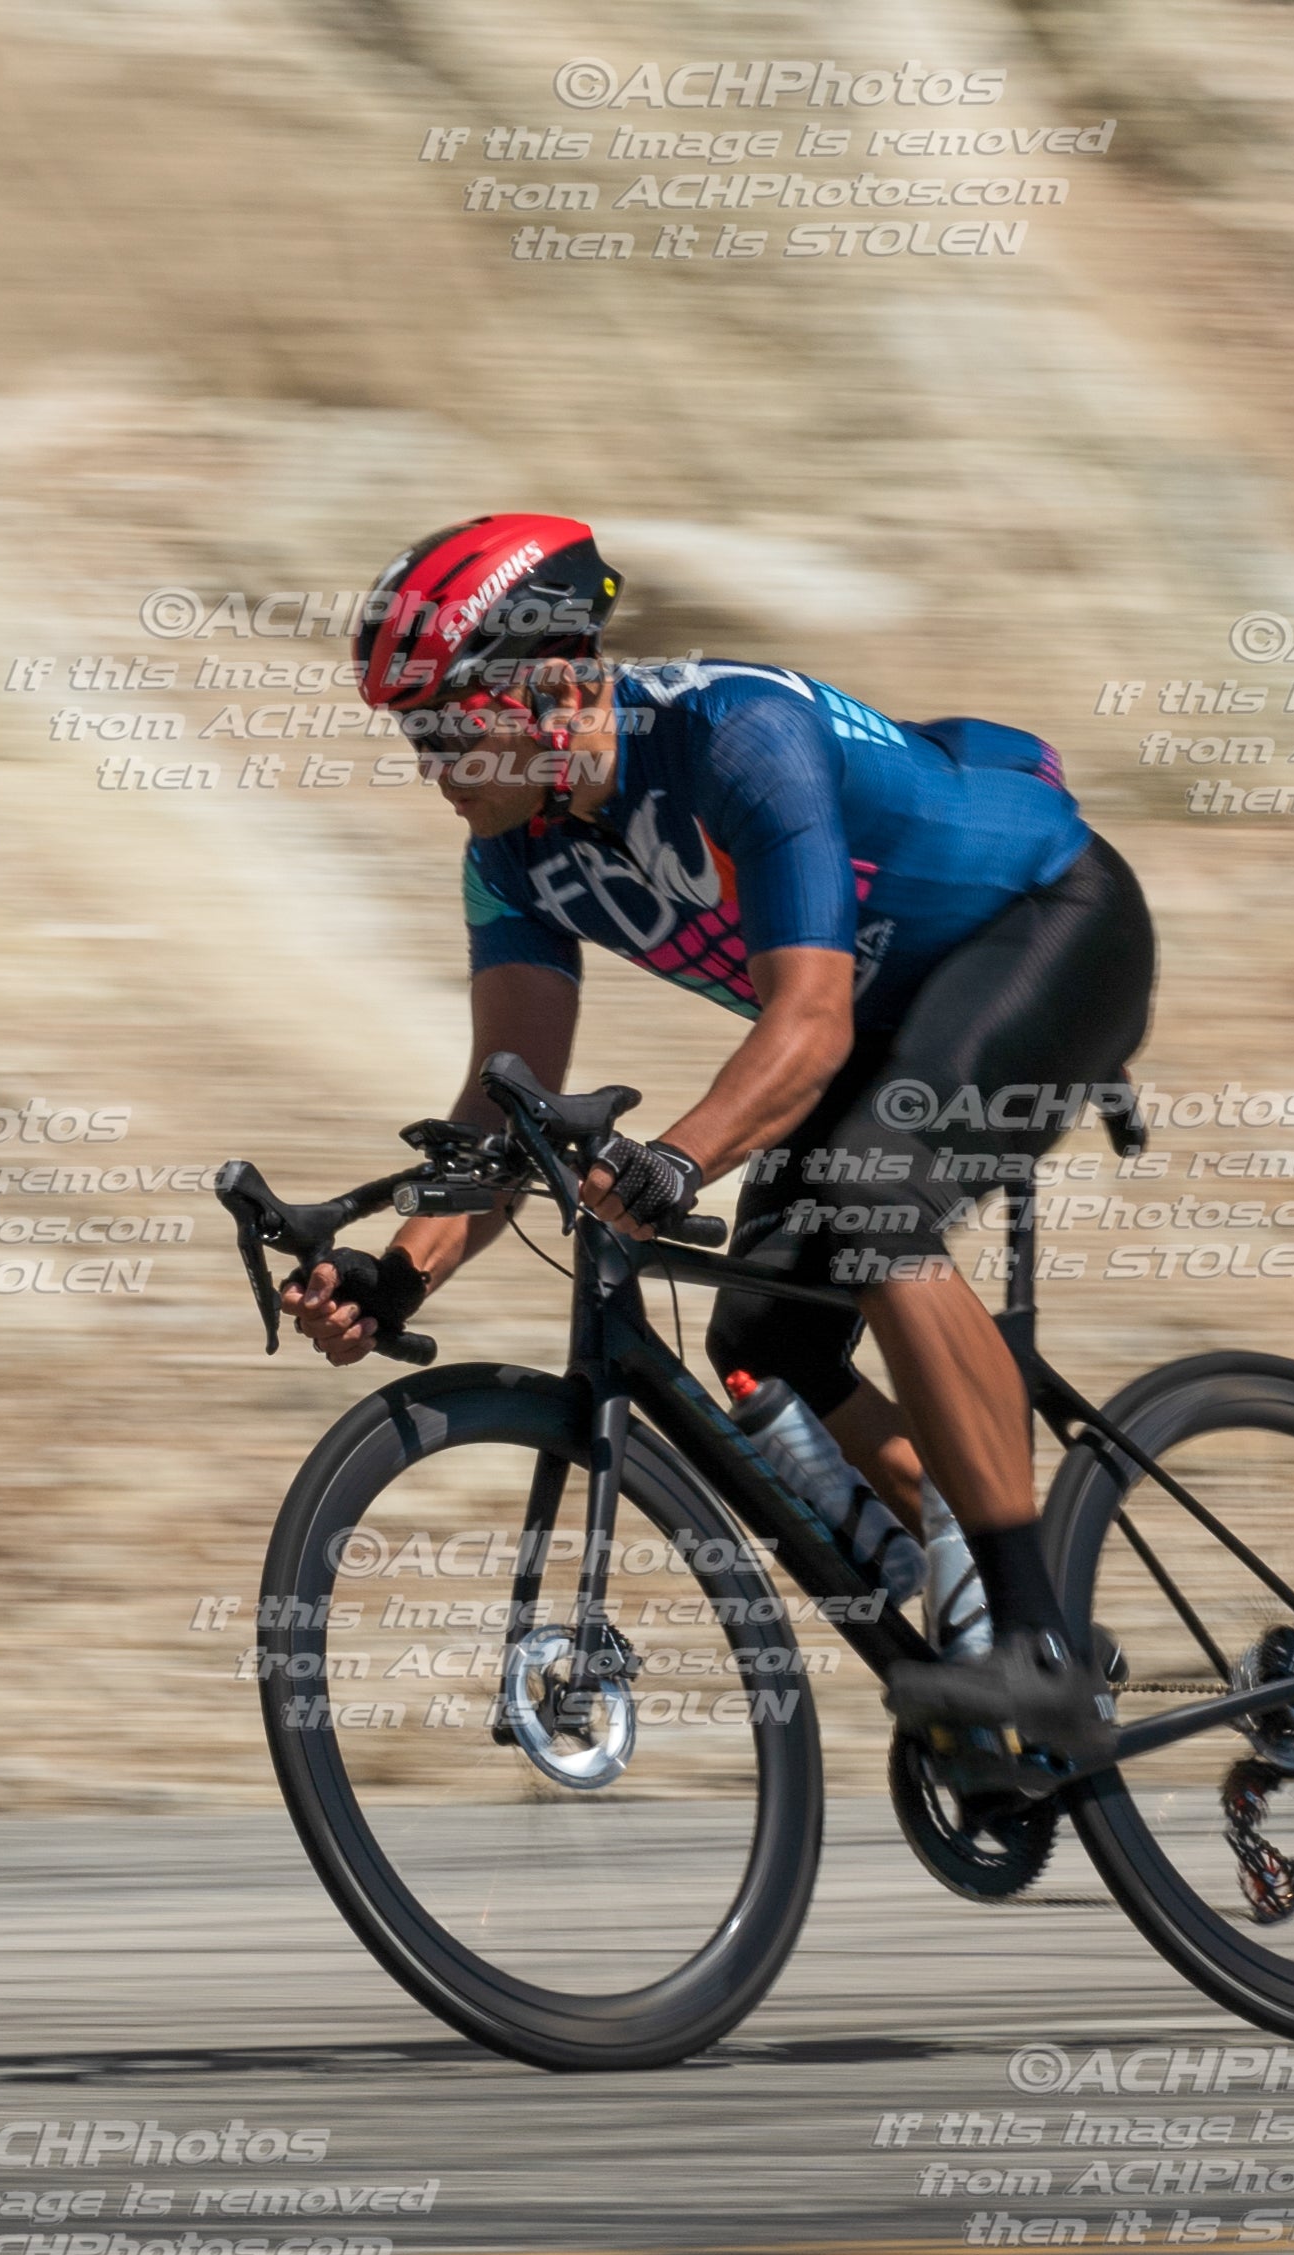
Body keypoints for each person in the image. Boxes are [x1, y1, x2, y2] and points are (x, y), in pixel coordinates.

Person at [280, 513, 1155, 1771]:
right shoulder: (509, 860)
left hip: (1048, 927)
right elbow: (502, 1108)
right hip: (891, 1023)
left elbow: (810, 1023)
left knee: (872, 1204)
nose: (434, 768)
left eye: (448, 727)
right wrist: (394, 1273)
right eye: (415, 738)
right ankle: (967, 1569)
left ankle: (1035, 1645)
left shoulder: (739, 735)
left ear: (557, 689)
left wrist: (678, 1161)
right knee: (765, 1339)